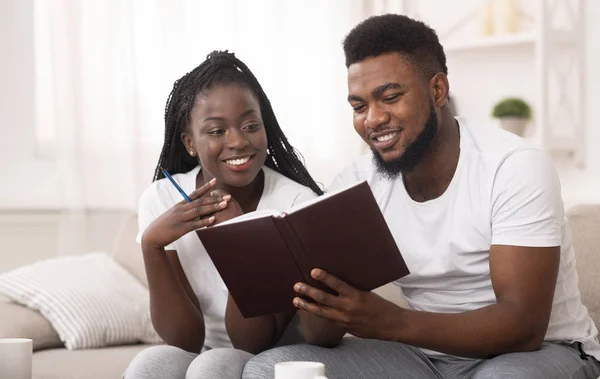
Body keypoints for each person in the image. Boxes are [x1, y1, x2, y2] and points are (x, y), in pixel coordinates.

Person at [242, 14, 600, 379]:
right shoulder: (355, 185)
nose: (373, 119)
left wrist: (390, 322)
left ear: (438, 90)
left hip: (542, 354)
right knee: (268, 370)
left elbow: (524, 326)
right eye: (359, 106)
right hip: (422, 358)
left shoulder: (513, 167)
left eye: (391, 97)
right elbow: (322, 333)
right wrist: (323, 300)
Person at [123, 50, 323, 379]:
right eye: (216, 131)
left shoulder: (296, 202)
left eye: (250, 126)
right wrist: (152, 246)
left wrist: (238, 240)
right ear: (190, 143)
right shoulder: (161, 198)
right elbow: (183, 341)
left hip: (274, 356)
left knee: (213, 365)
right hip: (200, 354)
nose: (238, 141)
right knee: (152, 362)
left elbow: (253, 341)